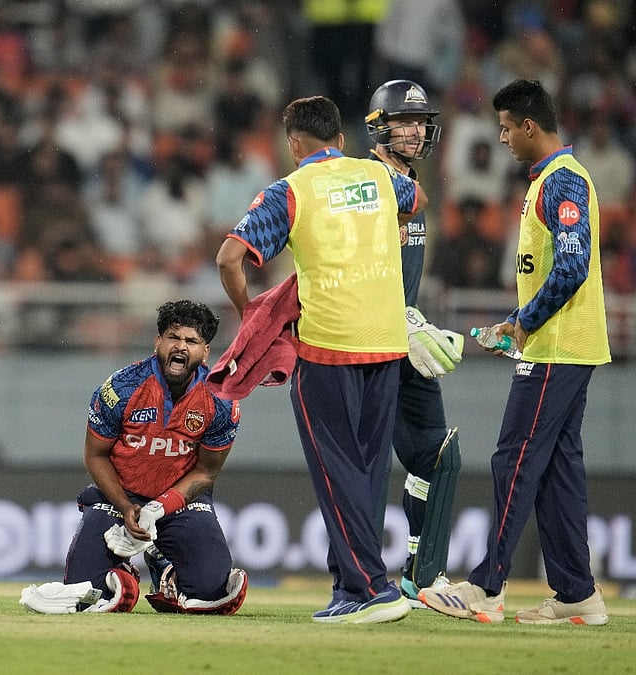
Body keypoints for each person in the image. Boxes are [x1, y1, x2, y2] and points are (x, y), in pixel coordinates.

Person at [216, 95, 426, 623]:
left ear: (293, 144)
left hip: (328, 344)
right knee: (367, 471)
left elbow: (230, 257)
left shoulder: (290, 191)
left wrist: (253, 316)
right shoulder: (376, 176)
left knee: (336, 472)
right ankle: (348, 588)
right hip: (385, 339)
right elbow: (416, 198)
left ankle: (372, 590)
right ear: (341, 139)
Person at [420, 79, 611, 625]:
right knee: (555, 468)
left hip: (555, 349)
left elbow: (571, 269)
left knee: (515, 457)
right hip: (562, 345)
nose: (501, 138)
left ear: (529, 125)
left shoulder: (563, 182)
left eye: (505, 127)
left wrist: (524, 324)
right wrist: (516, 321)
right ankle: (578, 594)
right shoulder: (552, 181)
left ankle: (486, 586)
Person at [20, 300, 248, 615]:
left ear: (205, 351)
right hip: (119, 499)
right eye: (173, 337)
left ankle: (164, 567)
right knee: (89, 593)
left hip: (178, 502)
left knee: (210, 592)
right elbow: (95, 456)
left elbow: (206, 473)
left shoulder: (221, 401)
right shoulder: (120, 389)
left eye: (191, 341)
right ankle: (125, 572)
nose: (180, 347)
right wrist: (128, 507)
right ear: (158, 342)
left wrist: (159, 508)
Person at [364, 79, 464, 607]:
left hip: (406, 336)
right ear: (378, 127)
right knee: (367, 464)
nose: (416, 130)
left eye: (421, 121)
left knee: (436, 456)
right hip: (368, 344)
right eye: (404, 121)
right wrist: (393, 316)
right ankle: (356, 578)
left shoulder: (411, 183)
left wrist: (412, 318)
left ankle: (421, 574)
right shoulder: (371, 184)